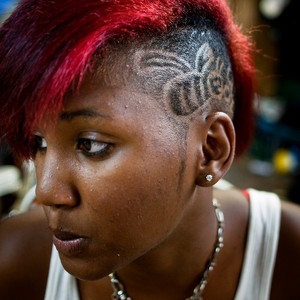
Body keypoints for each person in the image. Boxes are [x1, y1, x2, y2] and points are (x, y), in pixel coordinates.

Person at [0, 0, 299, 299]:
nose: (47, 192)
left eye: (90, 145)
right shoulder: (14, 266)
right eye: (39, 142)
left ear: (211, 150)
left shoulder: (288, 258)